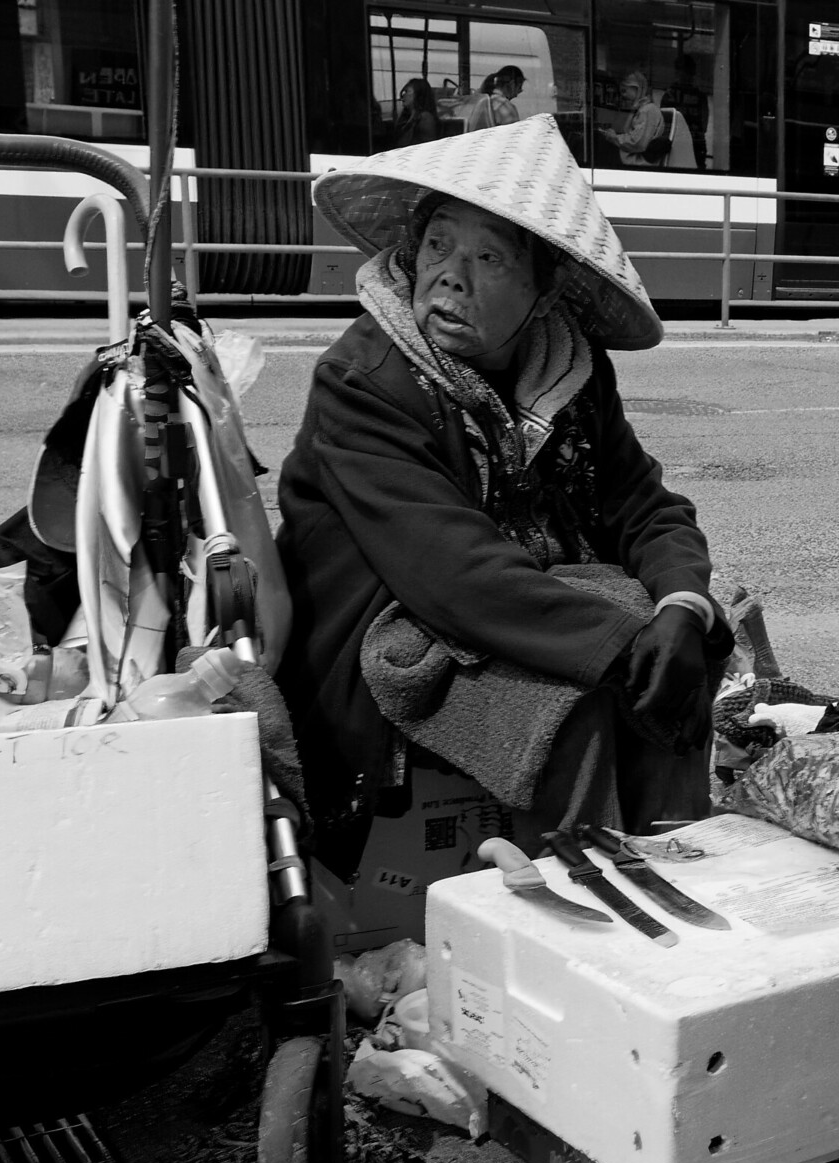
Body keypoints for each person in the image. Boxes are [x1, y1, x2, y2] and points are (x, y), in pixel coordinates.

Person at [275, 115, 732, 880]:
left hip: (516, 605)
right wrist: (618, 645)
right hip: (388, 631)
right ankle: (581, 918)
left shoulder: (572, 376)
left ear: (542, 289)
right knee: (570, 701)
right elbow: (452, 573)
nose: (450, 276)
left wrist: (683, 608)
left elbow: (647, 506)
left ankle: (670, 871)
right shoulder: (364, 381)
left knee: (688, 654)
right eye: (437, 245)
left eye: (489, 256)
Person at [599, 71, 663, 167]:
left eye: (624, 91)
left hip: (636, 160)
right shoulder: (640, 109)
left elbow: (637, 142)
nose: (623, 96)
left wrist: (614, 138)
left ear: (636, 89)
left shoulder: (648, 110)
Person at [466, 66, 525, 132]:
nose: (517, 94)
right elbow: (513, 135)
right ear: (512, 84)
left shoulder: (481, 99)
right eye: (519, 87)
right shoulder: (503, 105)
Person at [392, 78, 439, 148]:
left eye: (407, 92)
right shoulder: (407, 117)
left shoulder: (425, 118)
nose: (403, 95)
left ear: (418, 94)